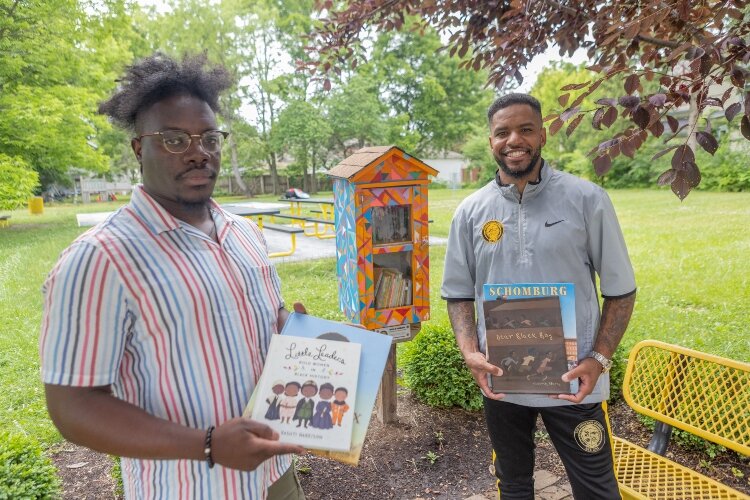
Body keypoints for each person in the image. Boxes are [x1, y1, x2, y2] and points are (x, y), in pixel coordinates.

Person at [39, 53, 307, 499]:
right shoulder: (98, 259)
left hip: (276, 472)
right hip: (191, 487)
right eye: (175, 139)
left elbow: (268, 319)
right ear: (139, 148)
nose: (198, 152)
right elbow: (72, 408)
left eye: (209, 138)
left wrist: (294, 335)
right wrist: (207, 445)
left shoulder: (244, 234)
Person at [441, 93, 636, 499]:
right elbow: (458, 294)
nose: (515, 140)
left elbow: (621, 291)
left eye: (525, 129)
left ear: (542, 135)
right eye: (503, 132)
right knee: (513, 486)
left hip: (574, 383)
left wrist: (597, 360)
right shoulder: (470, 211)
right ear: (490, 140)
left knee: (597, 490)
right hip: (503, 382)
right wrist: (468, 350)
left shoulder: (587, 200)